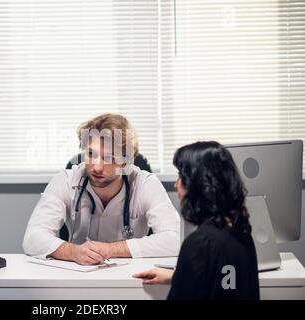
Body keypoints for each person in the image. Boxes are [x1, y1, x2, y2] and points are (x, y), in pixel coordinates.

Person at [23, 113, 180, 265]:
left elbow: (174, 239)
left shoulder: (145, 184)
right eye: (91, 154)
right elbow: (32, 238)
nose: (97, 167)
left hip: (131, 278)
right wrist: (73, 252)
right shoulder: (66, 181)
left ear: (126, 162)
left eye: (109, 158)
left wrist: (109, 249)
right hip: (78, 275)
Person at [133, 141, 260, 300]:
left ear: (198, 185)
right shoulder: (242, 234)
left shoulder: (199, 244)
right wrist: (179, 277)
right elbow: (226, 285)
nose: (176, 184)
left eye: (181, 176)